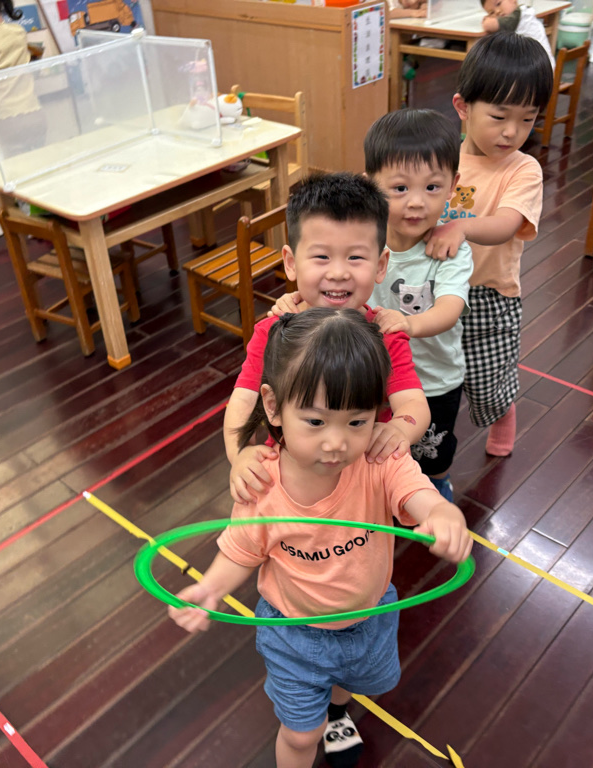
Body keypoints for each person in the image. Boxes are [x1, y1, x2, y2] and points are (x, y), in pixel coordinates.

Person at [169, 308, 473, 768]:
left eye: (357, 422)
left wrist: (440, 511)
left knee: (348, 686)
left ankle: (336, 710)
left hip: (369, 619)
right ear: (273, 406)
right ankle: (316, 723)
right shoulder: (262, 485)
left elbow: (416, 493)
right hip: (293, 632)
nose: (336, 443)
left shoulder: (379, 461)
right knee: (299, 735)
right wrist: (210, 588)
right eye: (315, 422)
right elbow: (240, 550)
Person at [225, 173, 431, 505]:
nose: (338, 273)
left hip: (363, 474)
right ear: (291, 263)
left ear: (381, 265)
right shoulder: (273, 330)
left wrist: (399, 429)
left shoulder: (385, 335)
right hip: (288, 476)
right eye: (321, 257)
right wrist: (240, 455)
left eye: (355, 257)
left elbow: (414, 404)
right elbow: (243, 400)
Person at [426, 32, 553, 458]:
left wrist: (459, 228)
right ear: (463, 107)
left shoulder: (523, 169)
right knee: (430, 372)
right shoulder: (441, 157)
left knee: (487, 380)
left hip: (488, 295)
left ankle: (502, 417)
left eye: (528, 119)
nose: (512, 132)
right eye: (499, 116)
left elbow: (506, 224)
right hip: (435, 287)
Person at [365, 109, 473, 502]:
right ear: (370, 185)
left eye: (431, 187)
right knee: (380, 447)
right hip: (378, 379)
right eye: (399, 188)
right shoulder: (365, 241)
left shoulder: (449, 251)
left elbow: (450, 308)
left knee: (433, 454)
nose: (416, 203)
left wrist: (410, 325)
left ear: (453, 186)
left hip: (435, 379)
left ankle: (438, 487)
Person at [480, 0, 556, 69]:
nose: (497, 11)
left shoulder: (517, 15)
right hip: (540, 65)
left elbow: (490, 25)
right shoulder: (521, 13)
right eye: (492, 12)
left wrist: (487, 21)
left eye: (498, 4)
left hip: (539, 68)